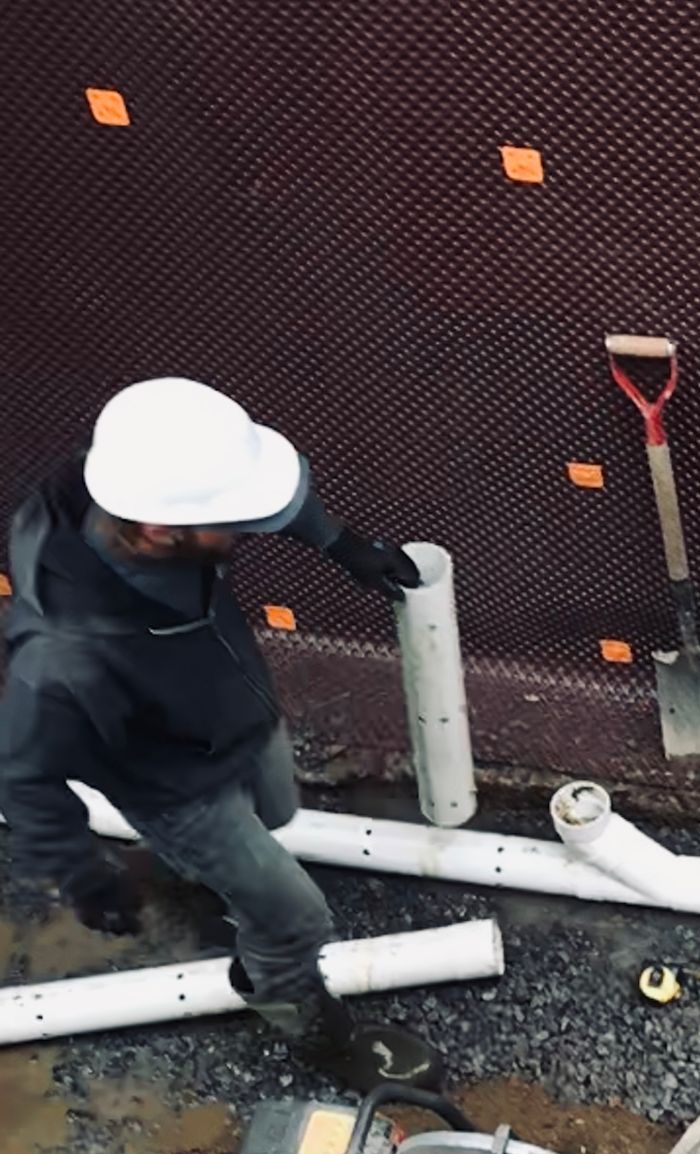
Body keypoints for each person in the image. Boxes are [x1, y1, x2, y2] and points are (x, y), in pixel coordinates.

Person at [0, 377, 441, 1086]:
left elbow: (267, 501)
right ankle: (290, 1006)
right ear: (156, 530)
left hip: (231, 710)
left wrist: (345, 545)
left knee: (277, 811)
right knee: (297, 917)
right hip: (176, 787)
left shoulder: (132, 478)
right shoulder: (64, 651)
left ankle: (198, 875)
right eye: (233, 524)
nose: (246, 535)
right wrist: (83, 876)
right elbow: (22, 775)